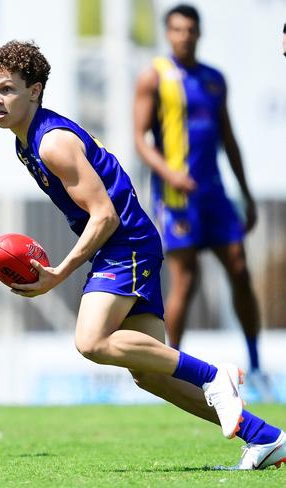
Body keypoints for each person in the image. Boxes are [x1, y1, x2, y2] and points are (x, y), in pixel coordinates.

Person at [0, 40, 286, 470]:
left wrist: (59, 274)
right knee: (150, 374)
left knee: (91, 341)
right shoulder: (24, 143)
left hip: (124, 244)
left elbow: (104, 215)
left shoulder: (50, 142)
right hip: (128, 243)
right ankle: (266, 438)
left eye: (8, 89)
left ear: (35, 91)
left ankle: (214, 375)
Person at [132, 4, 273, 400]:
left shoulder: (214, 80)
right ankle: (171, 368)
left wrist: (244, 193)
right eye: (177, 29)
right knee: (186, 280)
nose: (184, 36)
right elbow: (141, 139)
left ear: (199, 33)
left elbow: (229, 139)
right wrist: (170, 173)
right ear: (168, 33)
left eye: (190, 29)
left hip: (215, 195)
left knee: (240, 270)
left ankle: (257, 365)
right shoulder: (155, 77)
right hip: (177, 198)